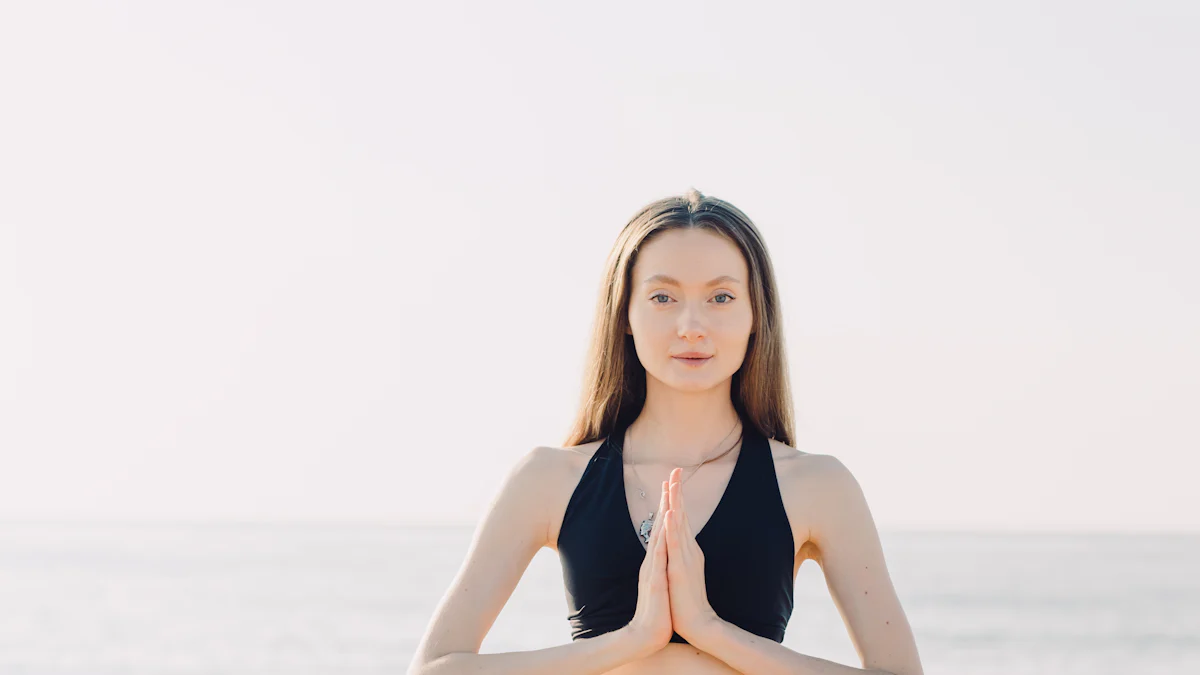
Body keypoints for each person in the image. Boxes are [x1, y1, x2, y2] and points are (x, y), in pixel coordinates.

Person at [407, 189, 924, 675]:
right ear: (625, 314)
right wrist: (630, 640)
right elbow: (433, 669)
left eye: (721, 298)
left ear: (754, 315)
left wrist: (711, 631)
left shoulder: (817, 486)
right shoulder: (549, 479)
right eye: (662, 298)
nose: (691, 325)